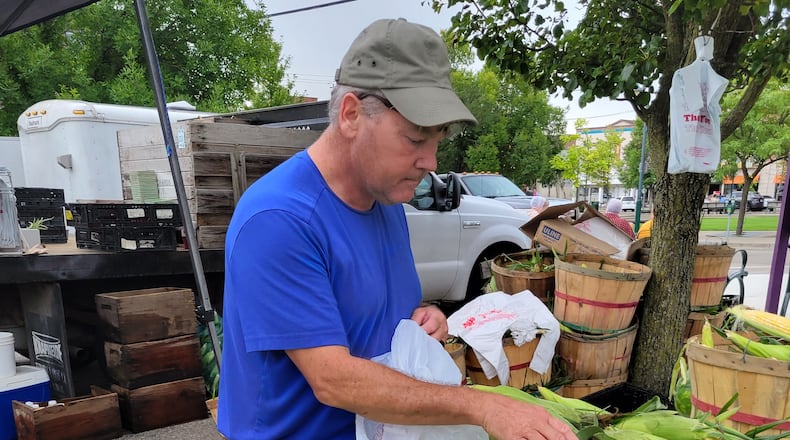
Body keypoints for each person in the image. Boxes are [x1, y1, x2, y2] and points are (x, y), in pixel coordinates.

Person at [217, 18, 575, 440]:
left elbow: (374, 308)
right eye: (415, 139)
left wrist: (425, 318)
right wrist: (482, 405)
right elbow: (333, 380)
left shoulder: (386, 203)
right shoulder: (279, 219)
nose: (431, 162)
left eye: (437, 140)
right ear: (351, 115)